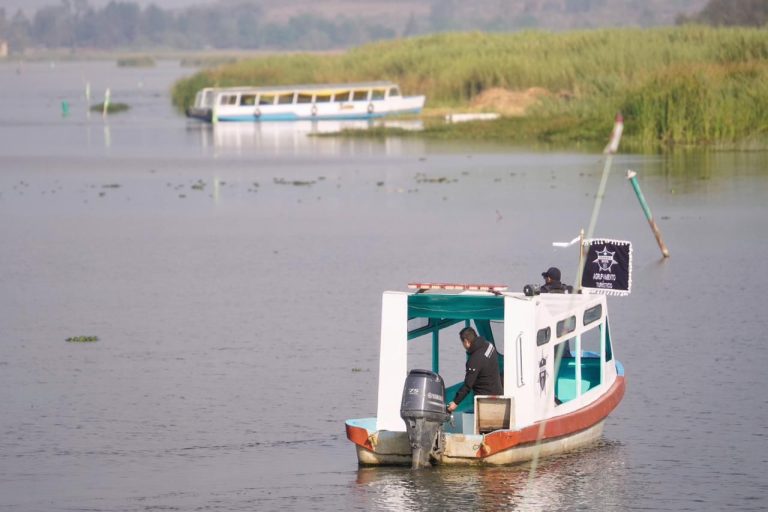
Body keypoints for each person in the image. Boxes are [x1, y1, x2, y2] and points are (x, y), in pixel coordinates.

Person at [446, 327, 504, 412]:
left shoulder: (474, 360)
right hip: (499, 394)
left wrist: (455, 402)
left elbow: (467, 385)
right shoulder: (489, 345)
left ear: (466, 341)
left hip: (485, 402)